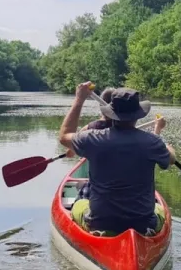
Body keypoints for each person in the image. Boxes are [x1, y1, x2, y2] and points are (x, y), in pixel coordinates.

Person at [58, 82, 174, 237]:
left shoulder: (92, 139)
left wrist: (79, 99)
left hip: (101, 223)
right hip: (143, 224)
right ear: (138, 115)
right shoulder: (152, 142)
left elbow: (64, 136)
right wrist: (166, 145)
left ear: (111, 113)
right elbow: (171, 159)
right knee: (159, 209)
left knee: (79, 204)